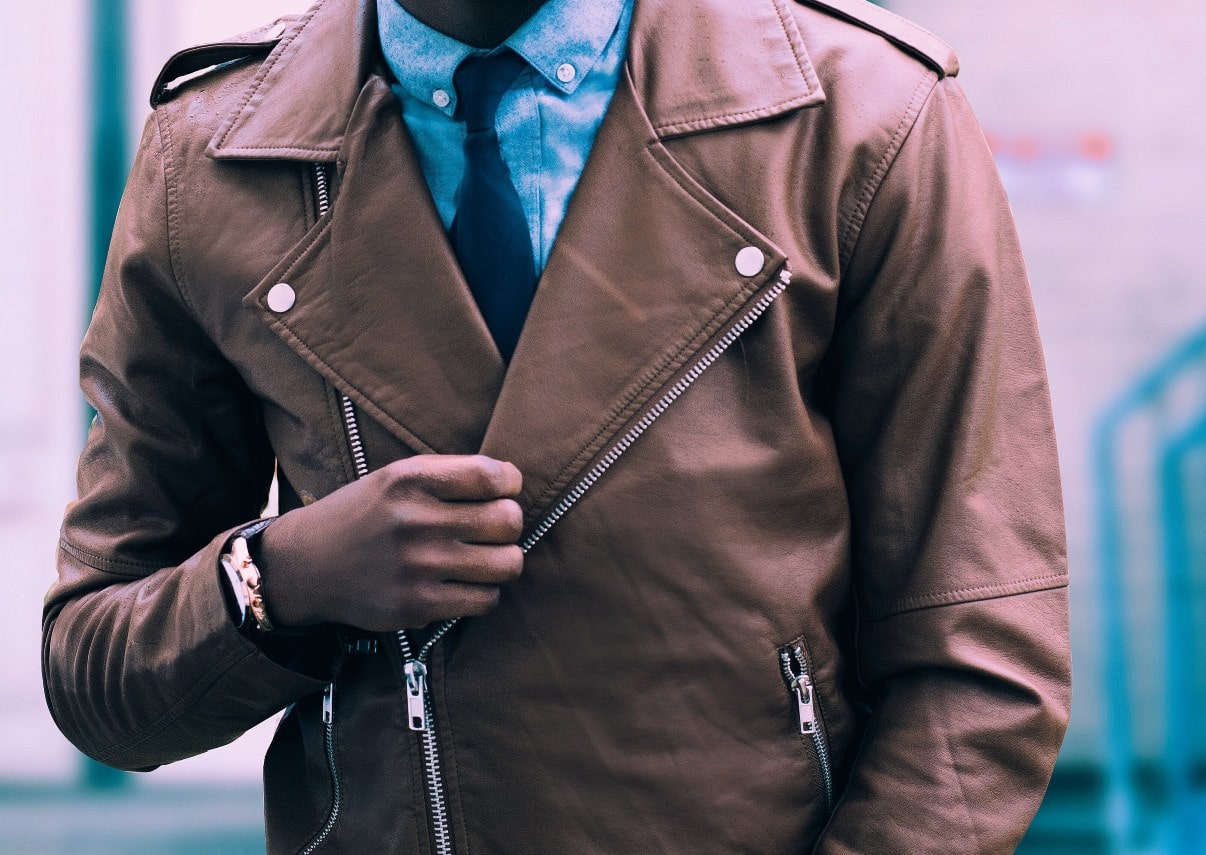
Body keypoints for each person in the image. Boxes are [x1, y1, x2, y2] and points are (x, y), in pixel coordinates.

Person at [43, 0, 1071, 851]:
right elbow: (99, 681)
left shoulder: (859, 120)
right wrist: (285, 577)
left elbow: (979, 660)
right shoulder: (209, 160)